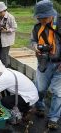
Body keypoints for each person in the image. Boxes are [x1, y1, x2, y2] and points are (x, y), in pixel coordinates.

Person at [31, 0, 61, 129]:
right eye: (38, 17)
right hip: (43, 62)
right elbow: (32, 40)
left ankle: (54, 118)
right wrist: (35, 47)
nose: (40, 20)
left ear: (50, 15)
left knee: (58, 93)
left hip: (59, 64)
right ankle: (40, 107)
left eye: (42, 18)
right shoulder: (37, 27)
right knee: (40, 88)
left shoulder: (59, 24)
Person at [0, 2, 17, 67]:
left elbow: (14, 27)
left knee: (4, 56)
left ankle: (5, 70)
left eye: (0, 12)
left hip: (6, 40)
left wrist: (6, 30)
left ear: (4, 10)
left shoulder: (10, 17)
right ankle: (0, 68)